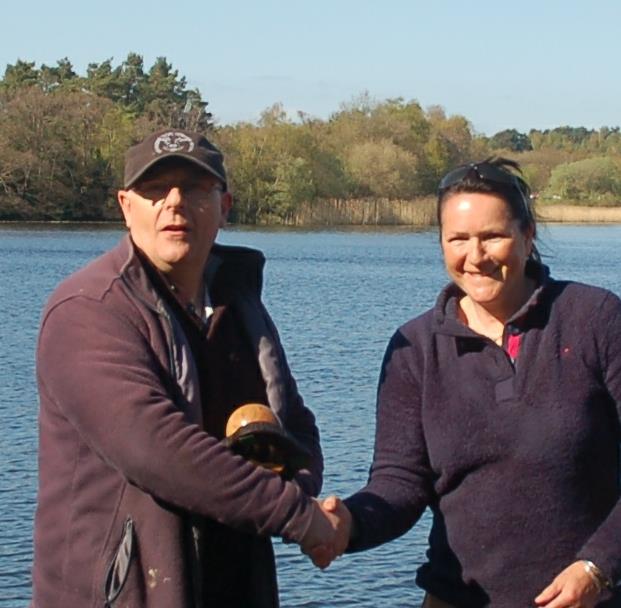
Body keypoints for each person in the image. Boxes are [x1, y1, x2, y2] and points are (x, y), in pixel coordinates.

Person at [31, 128, 342, 608]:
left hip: (238, 585)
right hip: (123, 594)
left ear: (225, 206)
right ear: (124, 205)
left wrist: (301, 488)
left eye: (196, 189)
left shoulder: (239, 306)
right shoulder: (87, 311)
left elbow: (296, 427)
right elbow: (157, 450)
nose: (174, 203)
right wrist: (297, 516)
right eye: (155, 189)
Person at [312, 158, 621, 607]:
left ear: (527, 234)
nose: (475, 257)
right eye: (458, 239)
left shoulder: (594, 319)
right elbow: (400, 483)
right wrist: (348, 526)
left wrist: (599, 567)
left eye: (492, 236)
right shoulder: (413, 348)